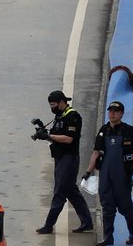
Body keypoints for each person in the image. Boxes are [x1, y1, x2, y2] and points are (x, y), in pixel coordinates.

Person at [83, 101, 133, 246]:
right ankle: (108, 237)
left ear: (121, 113)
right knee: (107, 207)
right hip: (106, 175)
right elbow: (96, 153)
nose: (112, 114)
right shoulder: (104, 130)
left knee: (126, 207)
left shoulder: (129, 131)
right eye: (110, 111)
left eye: (115, 111)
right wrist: (88, 172)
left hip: (123, 176)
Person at [35, 90, 94, 234]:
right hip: (60, 157)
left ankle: (49, 225)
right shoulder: (59, 116)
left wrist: (49, 135)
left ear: (61, 102)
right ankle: (87, 222)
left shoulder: (73, 117)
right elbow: (55, 137)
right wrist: (44, 134)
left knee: (60, 192)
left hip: (69, 159)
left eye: (53, 104)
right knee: (71, 192)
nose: (52, 107)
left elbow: (68, 139)